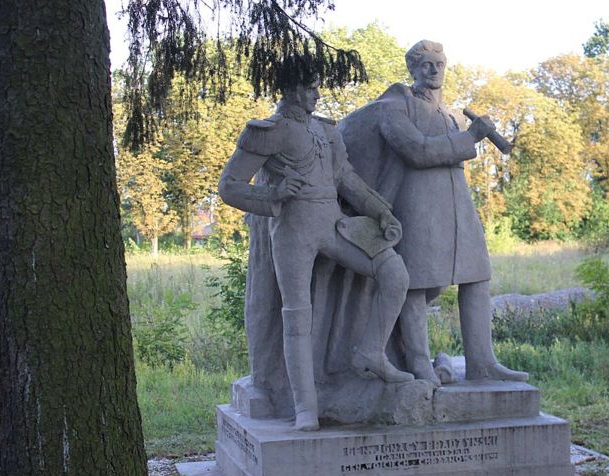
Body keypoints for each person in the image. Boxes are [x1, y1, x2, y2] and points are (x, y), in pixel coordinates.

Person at [218, 76, 413, 432]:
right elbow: (229, 186)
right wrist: (273, 194)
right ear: (290, 89)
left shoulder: (326, 131)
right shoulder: (268, 131)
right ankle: (305, 407)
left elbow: (347, 180)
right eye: (309, 88)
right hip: (293, 231)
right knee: (296, 316)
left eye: (317, 87)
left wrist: (381, 212)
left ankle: (371, 352)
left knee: (394, 273)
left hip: (335, 225)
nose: (317, 94)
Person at [340, 40, 528, 385]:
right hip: (417, 202)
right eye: (426, 64)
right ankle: (419, 364)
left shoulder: (452, 115)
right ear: (412, 68)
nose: (434, 69)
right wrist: (471, 137)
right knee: (417, 279)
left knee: (477, 275)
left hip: (457, 203)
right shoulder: (395, 106)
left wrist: (468, 135)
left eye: (439, 64)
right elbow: (417, 150)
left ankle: (482, 362)